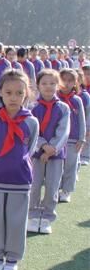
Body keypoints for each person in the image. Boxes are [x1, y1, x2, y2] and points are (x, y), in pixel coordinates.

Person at [0, 70, 39, 270]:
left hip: (20, 180)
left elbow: (31, 148)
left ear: (26, 94)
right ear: (0, 93)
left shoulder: (31, 122)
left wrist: (19, 164)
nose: (13, 97)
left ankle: (12, 264)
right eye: (8, 92)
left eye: (19, 92)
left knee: (16, 223)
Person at [27, 69, 71, 234]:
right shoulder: (32, 107)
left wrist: (52, 149)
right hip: (36, 154)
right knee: (35, 185)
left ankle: (46, 218)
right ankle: (32, 216)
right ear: (38, 85)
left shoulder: (63, 108)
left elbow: (64, 130)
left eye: (52, 83)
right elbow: (30, 130)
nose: (48, 87)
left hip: (56, 155)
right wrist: (43, 146)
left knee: (52, 187)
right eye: (44, 83)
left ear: (58, 85)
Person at [57, 69, 86, 203]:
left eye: (70, 81)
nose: (67, 84)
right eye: (64, 80)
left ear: (75, 83)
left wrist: (82, 138)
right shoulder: (55, 98)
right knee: (57, 167)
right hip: (57, 140)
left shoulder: (77, 100)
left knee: (71, 166)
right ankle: (56, 189)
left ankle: (67, 191)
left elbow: (82, 120)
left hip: (73, 140)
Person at [80, 64, 90, 165]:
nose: (86, 76)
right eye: (84, 74)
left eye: (88, 74)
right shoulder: (79, 88)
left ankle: (86, 156)